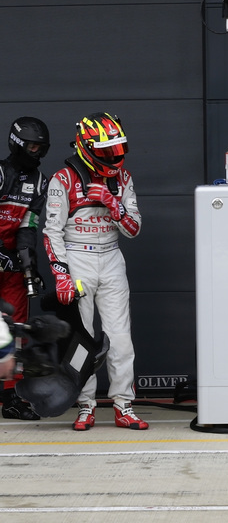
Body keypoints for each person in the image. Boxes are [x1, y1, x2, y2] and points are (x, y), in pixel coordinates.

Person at [43, 113, 147, 431]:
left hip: (112, 259)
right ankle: (85, 405)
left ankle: (123, 405)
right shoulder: (63, 179)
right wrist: (61, 274)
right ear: (88, 148)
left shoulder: (123, 179)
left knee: (120, 339)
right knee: (82, 338)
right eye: (107, 151)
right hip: (78, 259)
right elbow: (51, 233)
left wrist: (113, 205)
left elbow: (134, 228)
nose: (115, 157)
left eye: (118, 149)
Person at [0, 117, 50, 419]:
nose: (37, 153)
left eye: (41, 148)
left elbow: (28, 225)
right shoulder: (1, 172)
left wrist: (29, 263)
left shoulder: (40, 181)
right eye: (33, 146)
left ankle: (11, 398)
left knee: (16, 327)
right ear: (17, 144)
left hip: (12, 264)